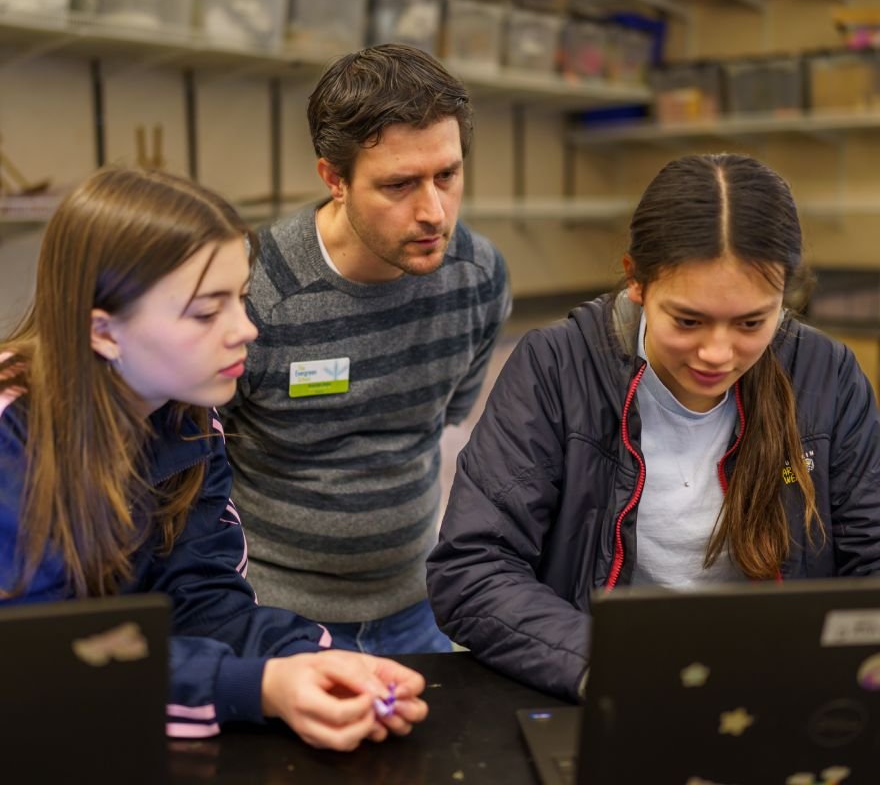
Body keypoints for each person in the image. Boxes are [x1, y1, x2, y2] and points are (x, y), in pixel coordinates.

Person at [0, 167, 428, 749]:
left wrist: (311, 661)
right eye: (206, 312)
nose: (245, 330)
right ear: (103, 330)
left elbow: (202, 599)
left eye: (242, 299)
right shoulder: (13, 437)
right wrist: (256, 688)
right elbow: (42, 663)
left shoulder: (189, 411)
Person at [426, 153, 880, 701]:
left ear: (786, 296)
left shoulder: (826, 375)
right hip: (605, 692)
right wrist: (610, 668)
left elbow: (871, 559)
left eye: (752, 323)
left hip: (779, 695)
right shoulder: (557, 367)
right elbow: (472, 570)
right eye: (687, 321)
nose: (717, 353)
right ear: (636, 281)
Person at [220, 44, 511, 653]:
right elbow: (197, 465)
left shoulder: (478, 277)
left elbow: (445, 417)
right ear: (334, 178)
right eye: (399, 184)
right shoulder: (255, 291)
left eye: (447, 176)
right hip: (275, 614)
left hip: (415, 601)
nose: (433, 212)